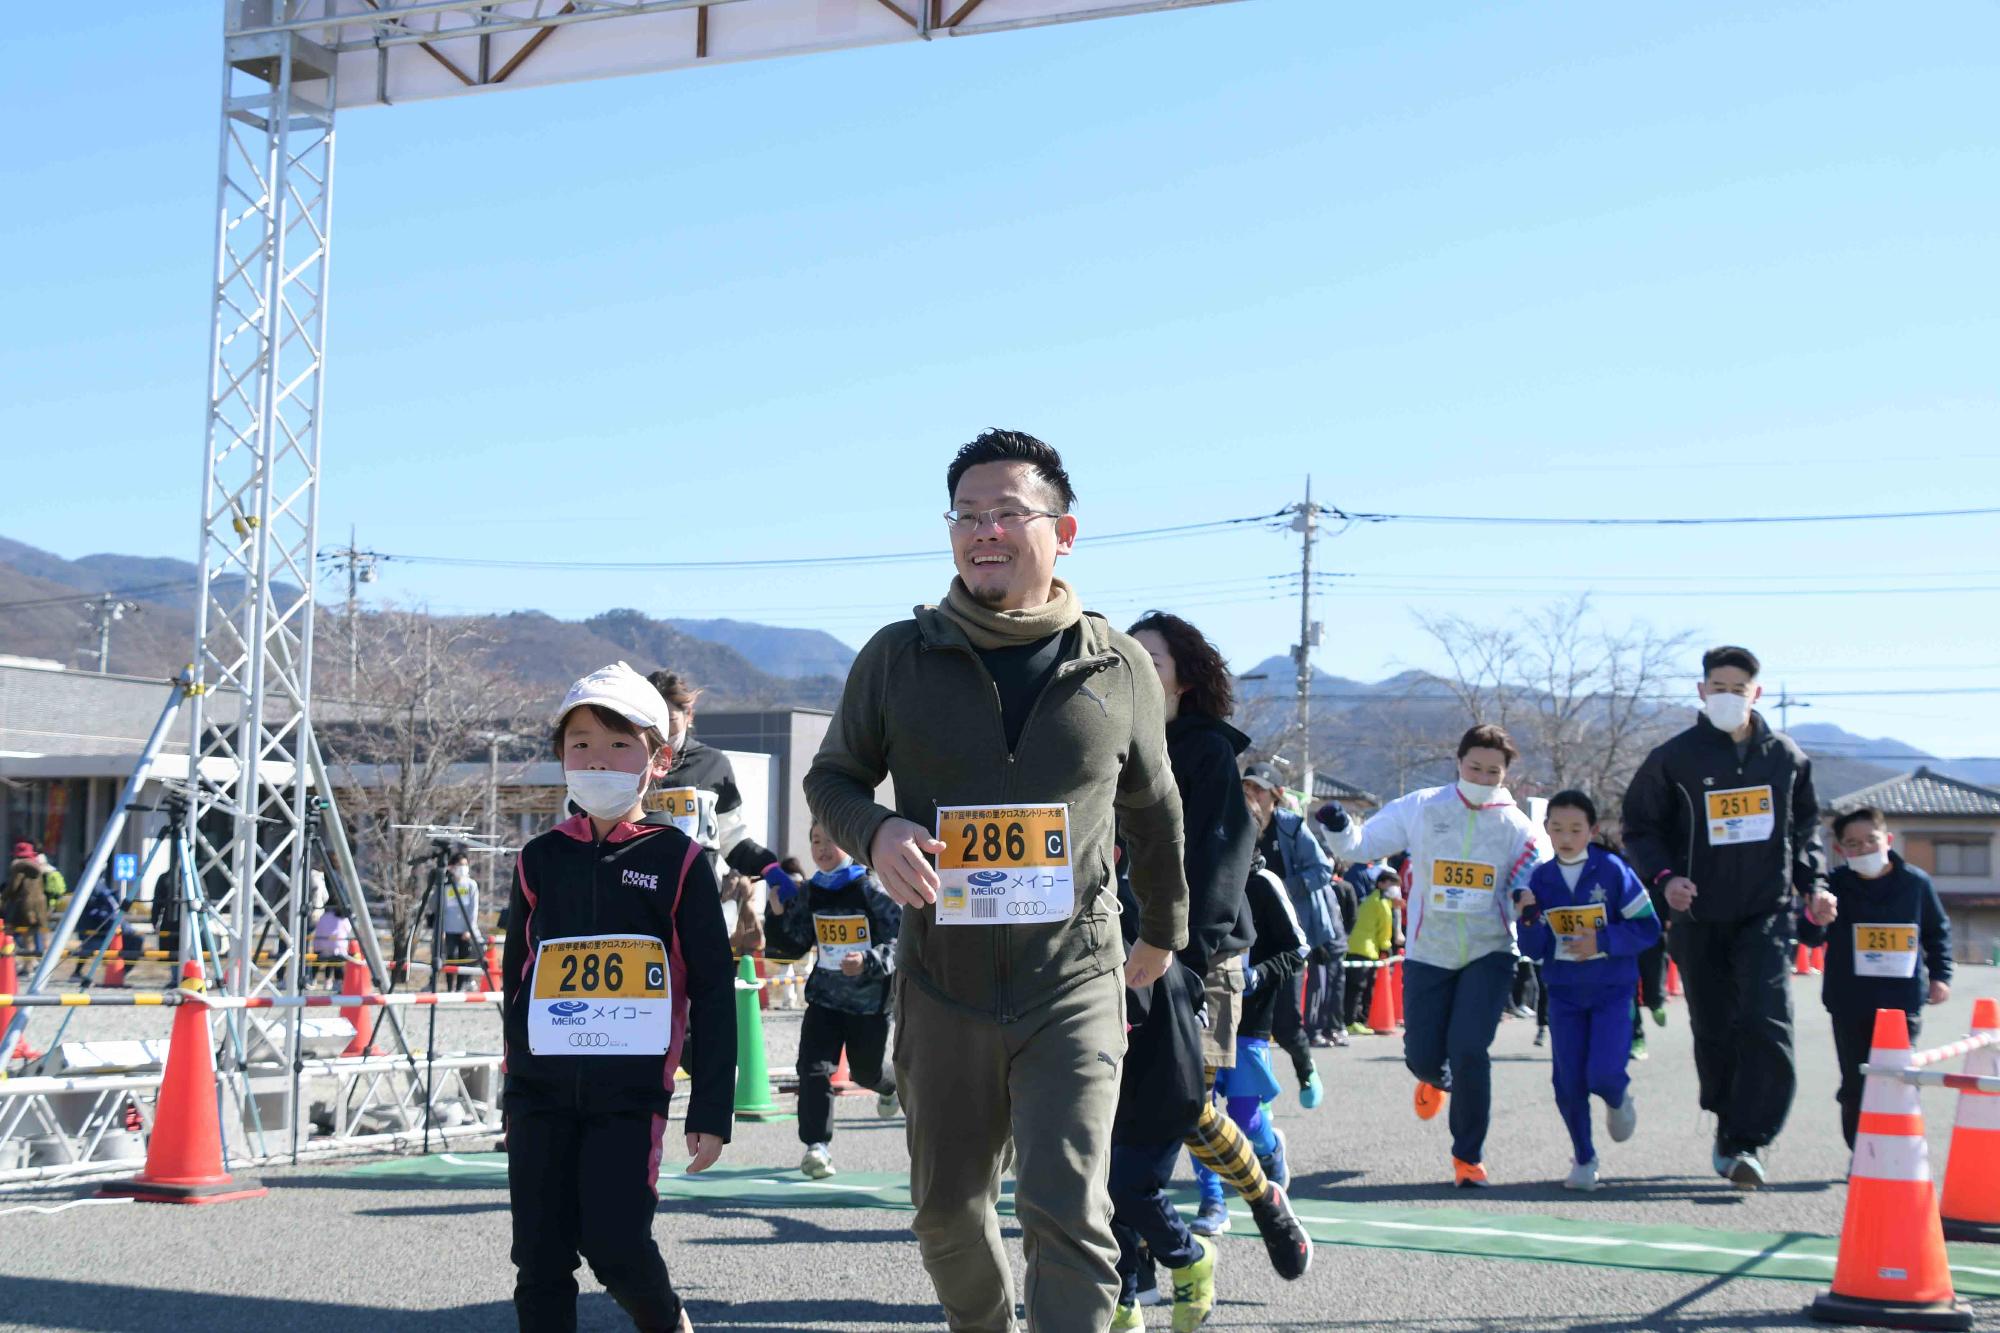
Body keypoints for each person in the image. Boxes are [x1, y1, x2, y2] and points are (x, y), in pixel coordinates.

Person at [805, 430, 1210, 1333]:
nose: (983, 531)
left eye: (1007, 513)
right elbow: (829, 778)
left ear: (1063, 531)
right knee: (948, 1212)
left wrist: (1165, 931)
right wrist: (876, 831)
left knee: (1067, 1208)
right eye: (967, 516)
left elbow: (1156, 806)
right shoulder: (896, 656)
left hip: (1073, 976)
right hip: (941, 976)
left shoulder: (1118, 664)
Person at [501, 662, 736, 1333]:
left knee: (616, 1243)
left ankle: (668, 1320)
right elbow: (519, 975)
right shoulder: (538, 858)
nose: (596, 760)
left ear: (657, 761)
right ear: (560, 758)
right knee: (539, 1257)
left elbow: (715, 990)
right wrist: (513, 1082)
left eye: (617, 745)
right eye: (580, 745)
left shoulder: (679, 861)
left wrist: (712, 1106)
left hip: (630, 1098)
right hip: (539, 1092)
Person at [1126, 611, 1314, 1273]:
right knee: (1124, 1111)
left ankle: (1264, 1199)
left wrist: (1181, 948)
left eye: (1152, 658)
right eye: (1128, 656)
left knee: (1185, 1106)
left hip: (1202, 955)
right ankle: (1140, 1262)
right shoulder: (1107, 744)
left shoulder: (1205, 751)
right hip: (1123, 953)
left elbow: (1221, 861)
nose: (1138, 667)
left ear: (1183, 677)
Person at [1622, 645, 1836, 1190]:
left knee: (1768, 1021)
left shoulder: (1784, 757)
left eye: (1737, 689)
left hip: (1765, 914)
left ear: (1755, 693)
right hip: (1698, 915)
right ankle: (1725, 1123)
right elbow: (1640, 827)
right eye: (1717, 687)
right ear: (1701, 692)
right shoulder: (1674, 758)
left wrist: (1813, 884)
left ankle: (1751, 1140)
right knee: (1715, 1027)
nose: (1727, 696)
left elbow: (1805, 829)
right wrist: (1666, 879)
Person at [1316, 724, 1546, 1187]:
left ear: (1506, 775)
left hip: (1490, 950)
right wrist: (1339, 827)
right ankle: (1435, 1078)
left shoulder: (1517, 826)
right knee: (1422, 1058)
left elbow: (1533, 873)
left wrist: (1528, 900)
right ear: (1458, 763)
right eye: (1474, 767)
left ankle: (1468, 1157)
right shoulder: (1422, 808)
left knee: (1469, 1050)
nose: (1482, 777)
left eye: (1493, 772)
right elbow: (1361, 847)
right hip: (1428, 952)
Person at [1514, 790, 1660, 1191]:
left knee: (1604, 1073)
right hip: (1563, 993)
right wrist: (1528, 920)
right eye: (1557, 828)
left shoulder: (1612, 871)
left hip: (1612, 990)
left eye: (1576, 828)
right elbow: (1533, 950)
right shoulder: (1541, 879)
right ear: (1546, 830)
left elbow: (1648, 927)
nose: (1566, 836)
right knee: (1568, 1082)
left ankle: (1619, 1097)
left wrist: (1602, 941)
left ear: (1592, 831)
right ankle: (1584, 1158)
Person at [1796, 806, 1952, 1149]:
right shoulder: (1833, 886)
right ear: (1840, 850)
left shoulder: (1916, 883)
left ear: (1888, 839)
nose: (1863, 848)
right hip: (1849, 1000)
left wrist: (1941, 976)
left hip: (1902, 1002)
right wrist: (1815, 917)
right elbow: (1807, 936)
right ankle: (1862, 1152)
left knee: (1898, 1078)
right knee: (1855, 1082)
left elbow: (1936, 932)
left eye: (1871, 840)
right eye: (1853, 844)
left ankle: (1897, 1150)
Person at [765, 821, 901, 1178]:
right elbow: (795, 945)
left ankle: (891, 1087)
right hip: (824, 998)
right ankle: (816, 1148)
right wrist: (779, 917)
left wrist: (868, 961)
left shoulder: (870, 887)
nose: (822, 849)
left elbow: (903, 942)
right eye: (815, 841)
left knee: (865, 1071)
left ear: (851, 844)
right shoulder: (812, 891)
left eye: (831, 840)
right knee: (813, 1069)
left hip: (868, 1002)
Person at [1192, 862, 1307, 1230]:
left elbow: (1298, 948)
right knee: (1198, 1109)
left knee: (1244, 1116)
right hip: (1204, 1006)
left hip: (1252, 1018)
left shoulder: (1261, 881)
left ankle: (1270, 1147)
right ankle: (1212, 1202)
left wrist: (1258, 975)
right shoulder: (1192, 869)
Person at [642, 670, 800, 904]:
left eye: (670, 720)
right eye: (654, 721)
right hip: (642, 896)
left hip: (699, 898)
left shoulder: (714, 764)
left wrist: (768, 866)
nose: (663, 730)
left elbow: (731, 838)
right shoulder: (631, 765)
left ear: (689, 715)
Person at [1240, 764, 1342, 1108]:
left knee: (1285, 1024)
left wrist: (1282, 887)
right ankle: (1256, 1095)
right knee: (1250, 1026)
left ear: (1277, 795)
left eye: (1261, 789)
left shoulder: (1292, 827)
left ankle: (1305, 1068)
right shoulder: (1238, 823)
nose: (1253, 794)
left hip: (1289, 936)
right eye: (1248, 787)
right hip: (1250, 937)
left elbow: (1323, 869)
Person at [1345, 866, 1397, 1036]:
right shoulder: (1381, 902)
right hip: (1366, 949)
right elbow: (1385, 929)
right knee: (1359, 987)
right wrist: (1386, 948)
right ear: (1381, 884)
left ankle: (1352, 1019)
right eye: (1391, 884)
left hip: (1354, 946)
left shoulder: (1370, 899)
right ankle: (1353, 1021)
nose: (1394, 888)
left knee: (1352, 987)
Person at [71, 876, 124, 986]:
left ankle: (80, 973)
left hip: (96, 921)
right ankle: (83, 974)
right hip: (91, 922)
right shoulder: (91, 882)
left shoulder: (97, 881)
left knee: (89, 948)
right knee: (90, 948)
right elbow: (92, 902)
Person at [440, 849, 480, 993]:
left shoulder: (471, 885)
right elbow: (441, 908)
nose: (463, 868)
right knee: (451, 957)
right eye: (459, 865)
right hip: (449, 929)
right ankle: (450, 987)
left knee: (465, 959)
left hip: (465, 930)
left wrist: (469, 929)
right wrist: (441, 929)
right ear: (452, 867)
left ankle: (460, 988)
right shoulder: (446, 885)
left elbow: (473, 909)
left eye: (465, 865)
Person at [5, 841, 49, 956]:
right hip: (40, 904)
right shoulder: (38, 866)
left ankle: (29, 966)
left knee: (26, 936)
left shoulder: (19, 867)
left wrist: (4, 897)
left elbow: (13, 887)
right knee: (41, 933)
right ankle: (46, 962)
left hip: (25, 905)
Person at [311, 903, 354, 991]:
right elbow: (349, 931)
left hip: (320, 947)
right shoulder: (344, 919)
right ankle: (337, 982)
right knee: (337, 960)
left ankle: (313, 980)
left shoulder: (324, 916)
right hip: (337, 948)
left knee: (327, 958)